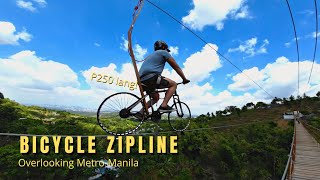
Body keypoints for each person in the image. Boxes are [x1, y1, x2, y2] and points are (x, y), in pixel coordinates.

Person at [135, 40, 190, 119]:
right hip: (151, 78)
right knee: (173, 84)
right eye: (166, 49)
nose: (167, 51)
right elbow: (176, 67)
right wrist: (184, 79)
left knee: (155, 98)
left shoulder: (151, 55)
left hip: (142, 81)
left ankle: (140, 113)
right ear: (164, 47)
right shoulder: (164, 52)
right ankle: (164, 105)